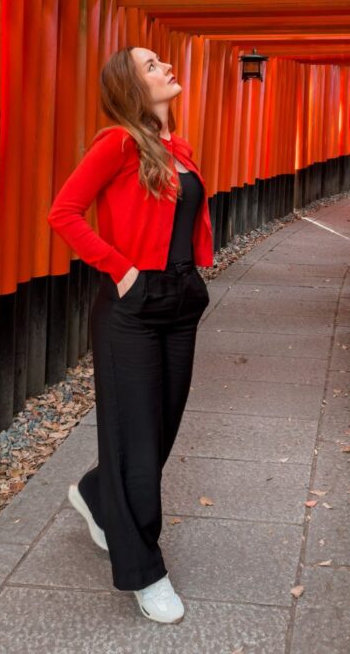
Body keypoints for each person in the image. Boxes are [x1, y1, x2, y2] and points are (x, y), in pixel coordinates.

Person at [46, 45, 214, 624]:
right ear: (130, 87)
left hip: (183, 299)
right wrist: (122, 272)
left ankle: (97, 493)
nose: (166, 67)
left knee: (158, 434)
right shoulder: (117, 142)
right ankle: (146, 571)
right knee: (138, 449)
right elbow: (64, 212)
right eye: (151, 65)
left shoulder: (177, 149)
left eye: (163, 61)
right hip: (134, 309)